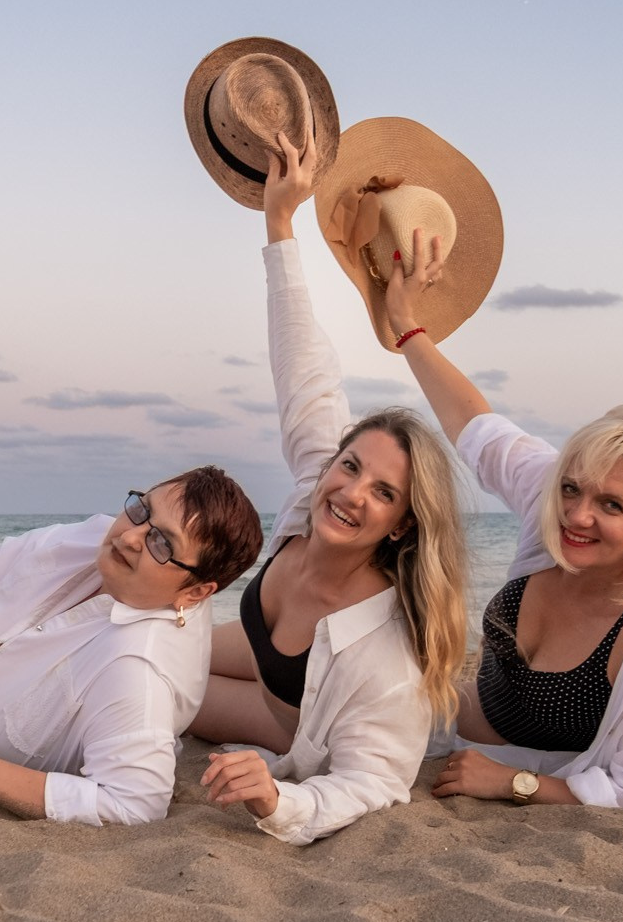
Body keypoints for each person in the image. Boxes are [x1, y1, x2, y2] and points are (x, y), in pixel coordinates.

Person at [187, 124, 472, 845]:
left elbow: (375, 781)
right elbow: (303, 367)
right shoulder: (318, 491)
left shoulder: (387, 645)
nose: (353, 493)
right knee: (123, 626)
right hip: (258, 653)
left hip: (288, 717)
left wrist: (276, 799)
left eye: (384, 493)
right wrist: (280, 223)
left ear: (403, 523)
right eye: (352, 467)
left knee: (144, 685)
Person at [390, 242, 623, 815]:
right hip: (432, 716)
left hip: (469, 752)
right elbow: (476, 427)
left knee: (273, 709)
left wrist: (515, 783)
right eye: (572, 489)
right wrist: (406, 327)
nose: (577, 515)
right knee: (242, 675)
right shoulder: (554, 500)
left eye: (613, 506)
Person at [0, 470, 262, 826]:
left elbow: (134, 804)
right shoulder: (101, 538)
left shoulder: (137, 668)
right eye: (142, 509)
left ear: (195, 591)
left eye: (163, 543)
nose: (132, 537)